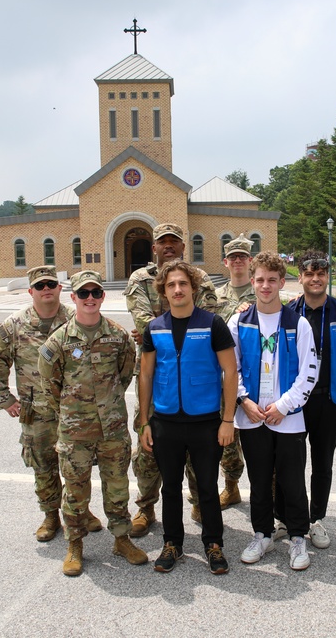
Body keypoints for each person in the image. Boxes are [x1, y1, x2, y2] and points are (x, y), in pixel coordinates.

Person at [38, 270, 148, 576]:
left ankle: (122, 539)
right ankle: (75, 544)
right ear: (73, 298)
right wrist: (75, 412)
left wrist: (107, 405)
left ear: (103, 296)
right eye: (83, 294)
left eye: (95, 293)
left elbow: (125, 375)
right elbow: (50, 387)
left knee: (117, 487)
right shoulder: (58, 341)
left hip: (112, 429)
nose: (90, 299)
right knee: (75, 491)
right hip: (75, 432)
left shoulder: (119, 337)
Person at [138, 259, 238, 575]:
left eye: (183, 283)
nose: (178, 289)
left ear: (192, 287)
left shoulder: (212, 324)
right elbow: (146, 376)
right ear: (163, 292)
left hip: (206, 422)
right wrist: (144, 422)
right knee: (170, 487)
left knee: (207, 486)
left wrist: (228, 420)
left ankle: (213, 544)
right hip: (166, 422)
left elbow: (231, 371)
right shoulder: (154, 328)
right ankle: (173, 543)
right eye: (171, 285)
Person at [0, 264, 101, 542]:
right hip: (35, 412)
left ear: (60, 289)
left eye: (51, 284)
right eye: (40, 286)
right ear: (30, 291)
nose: (46, 289)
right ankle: (51, 516)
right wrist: (5, 399)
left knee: (77, 466)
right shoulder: (13, 326)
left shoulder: (78, 318)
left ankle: (80, 511)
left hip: (71, 411)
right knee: (44, 466)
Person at [123, 223, 219, 536]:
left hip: (194, 372)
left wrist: (159, 326)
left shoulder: (199, 278)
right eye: (162, 242)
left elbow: (207, 316)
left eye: (174, 242)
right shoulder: (140, 278)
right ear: (154, 247)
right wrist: (160, 327)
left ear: (182, 247)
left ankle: (198, 502)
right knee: (148, 443)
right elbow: (142, 321)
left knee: (196, 446)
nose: (168, 246)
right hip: (154, 374)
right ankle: (146, 507)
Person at [228, 251, 318, 571]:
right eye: (260, 280)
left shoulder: (299, 324)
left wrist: (283, 405)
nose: (266, 286)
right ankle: (262, 533)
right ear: (251, 282)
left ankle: (296, 537)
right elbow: (230, 367)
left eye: (272, 280)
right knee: (260, 479)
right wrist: (244, 401)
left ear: (282, 282)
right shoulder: (239, 321)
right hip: (252, 416)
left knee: (293, 480)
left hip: (288, 418)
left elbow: (309, 372)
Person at [275, 251, 336, 549]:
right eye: (309, 273)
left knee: (323, 463)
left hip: (330, 400)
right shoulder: (288, 313)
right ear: (301, 276)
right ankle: (283, 517)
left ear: (328, 275)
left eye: (321, 272)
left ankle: (316, 519)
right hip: (296, 400)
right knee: (288, 462)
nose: (316, 278)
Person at [214, 234, 257, 510]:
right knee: (227, 437)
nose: (238, 261)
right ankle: (231, 487)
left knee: (260, 438)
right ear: (225, 262)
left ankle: (270, 490)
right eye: (233, 257)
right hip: (225, 377)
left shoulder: (263, 291)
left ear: (250, 262)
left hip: (256, 376)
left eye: (243, 257)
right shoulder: (215, 298)